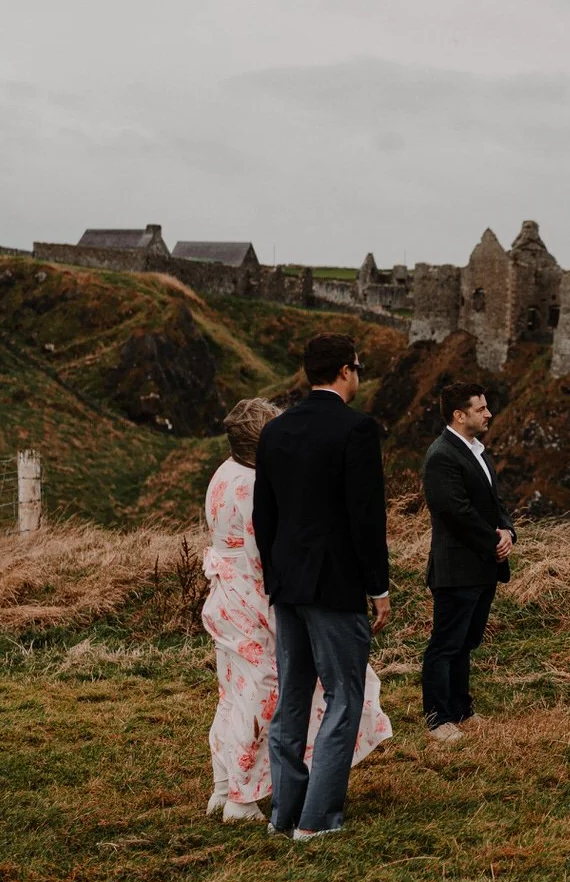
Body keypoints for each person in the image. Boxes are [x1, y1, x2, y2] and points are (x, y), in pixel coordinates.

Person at [203, 397, 388, 821]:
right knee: (264, 693)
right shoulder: (254, 486)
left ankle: (223, 784)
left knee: (232, 692)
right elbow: (262, 554)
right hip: (253, 599)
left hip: (225, 597)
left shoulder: (223, 475)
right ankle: (241, 796)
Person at [252, 334, 393, 842]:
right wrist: (377, 585)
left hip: (287, 584)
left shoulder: (275, 431)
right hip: (335, 585)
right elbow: (365, 519)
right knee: (343, 697)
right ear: (344, 371)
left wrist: (276, 575)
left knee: (292, 699)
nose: (360, 375)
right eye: (359, 367)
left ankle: (284, 814)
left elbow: (262, 517)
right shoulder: (357, 430)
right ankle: (317, 819)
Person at [421, 381, 514, 744]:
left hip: (481, 565)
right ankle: (437, 717)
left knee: (465, 642)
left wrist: (508, 532)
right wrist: (494, 541)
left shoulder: (477, 450)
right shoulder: (442, 455)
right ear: (459, 415)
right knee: (445, 643)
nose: (488, 413)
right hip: (456, 568)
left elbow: (494, 502)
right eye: (480, 408)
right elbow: (455, 512)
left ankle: (461, 709)